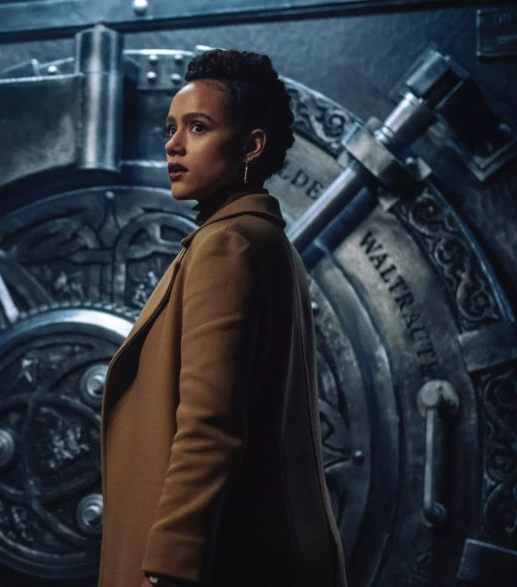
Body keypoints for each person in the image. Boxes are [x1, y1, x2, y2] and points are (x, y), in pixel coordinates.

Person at [98, 50, 348, 587]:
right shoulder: (266, 241)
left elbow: (210, 425)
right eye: (171, 128)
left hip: (211, 563)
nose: (173, 144)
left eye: (198, 127)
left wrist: (171, 564)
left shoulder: (226, 246)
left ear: (251, 145)